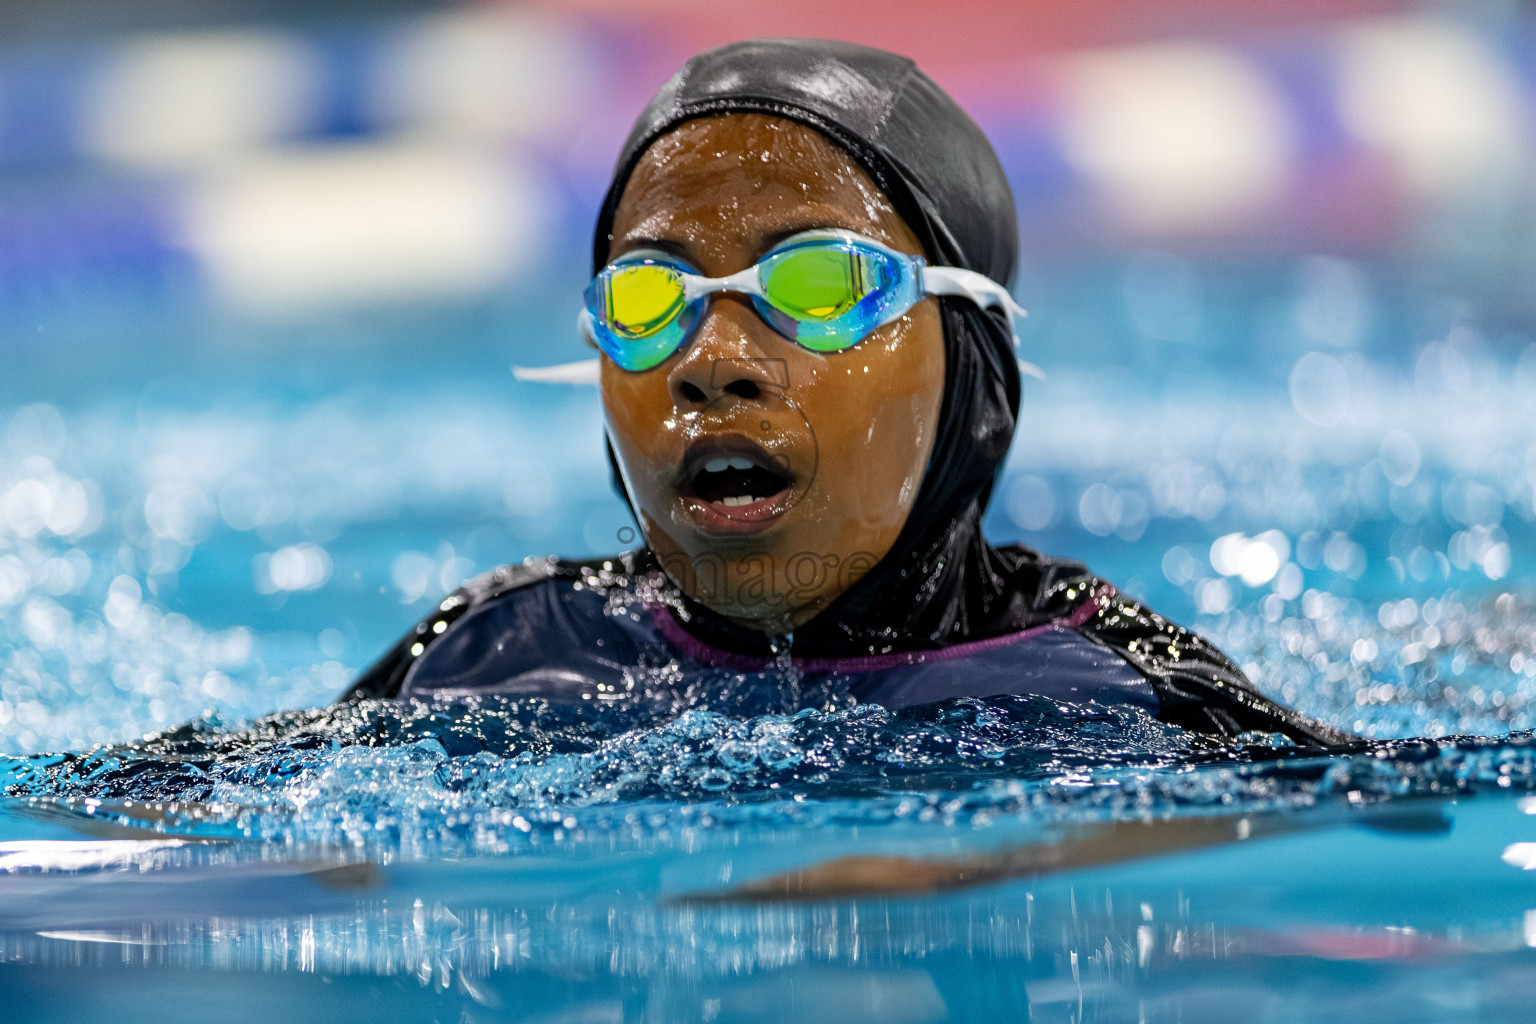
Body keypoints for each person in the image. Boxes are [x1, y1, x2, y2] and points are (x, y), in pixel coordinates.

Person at [343, 38, 1349, 748]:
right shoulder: (492, 659)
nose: (714, 358)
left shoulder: (1132, 699)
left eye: (817, 283)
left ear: (974, 370)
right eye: (652, 297)